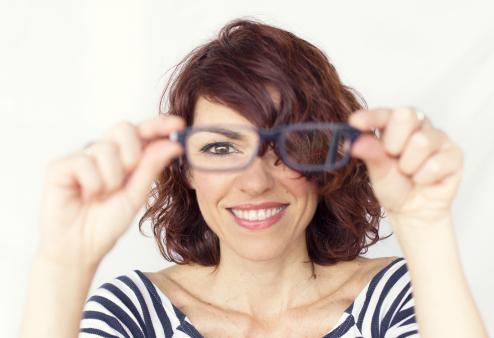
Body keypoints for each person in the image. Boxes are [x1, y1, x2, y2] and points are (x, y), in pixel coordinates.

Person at [18, 19, 487, 338]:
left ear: (327, 160)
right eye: (220, 148)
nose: (255, 182)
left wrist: (426, 226)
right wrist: (63, 264)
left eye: (285, 149)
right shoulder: (134, 312)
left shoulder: (394, 297)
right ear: (185, 170)